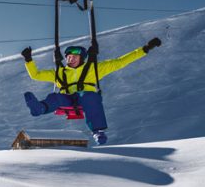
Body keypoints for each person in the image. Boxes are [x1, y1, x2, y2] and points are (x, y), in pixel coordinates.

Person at [21, 37, 161, 145]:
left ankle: (98, 131)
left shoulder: (93, 69)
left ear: (82, 58)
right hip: (67, 99)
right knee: (55, 97)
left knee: (89, 96)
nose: (70, 59)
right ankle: (40, 108)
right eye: (68, 57)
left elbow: (120, 62)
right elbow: (36, 75)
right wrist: (28, 60)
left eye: (74, 57)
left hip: (85, 98)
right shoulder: (60, 72)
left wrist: (145, 49)